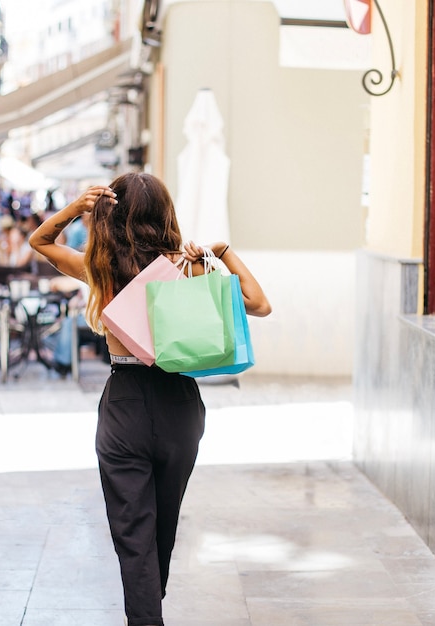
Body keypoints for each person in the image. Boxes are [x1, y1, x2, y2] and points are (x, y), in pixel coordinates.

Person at [29, 172, 271, 626]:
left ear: (111, 215)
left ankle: (145, 615)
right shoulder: (188, 266)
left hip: (125, 401)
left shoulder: (101, 267)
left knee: (133, 530)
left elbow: (40, 242)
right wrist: (222, 253)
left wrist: (75, 209)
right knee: (162, 524)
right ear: (166, 214)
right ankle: (147, 613)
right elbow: (259, 304)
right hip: (179, 401)